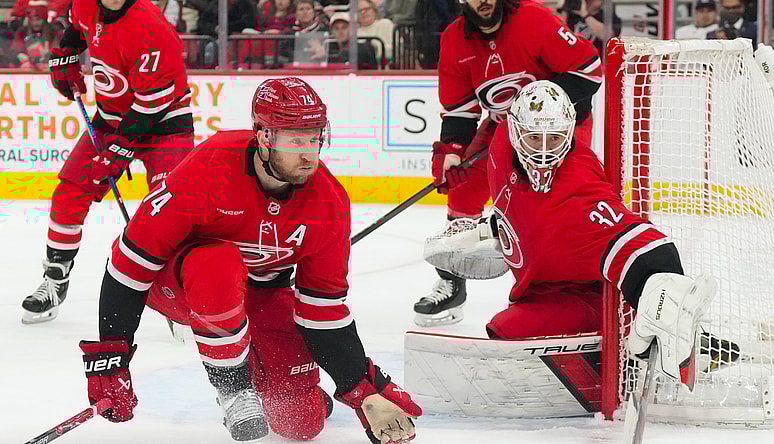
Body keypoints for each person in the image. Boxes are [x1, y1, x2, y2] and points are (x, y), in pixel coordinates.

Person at [78, 77, 423, 443]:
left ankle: (272, 380)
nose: (309, 153)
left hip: (259, 292)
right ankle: (234, 390)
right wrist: (112, 359)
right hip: (178, 285)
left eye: (315, 136)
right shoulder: (209, 167)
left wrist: (363, 392)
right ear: (264, 137)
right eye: (295, 139)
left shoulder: (330, 204)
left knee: (301, 423)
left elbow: (323, 312)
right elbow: (127, 267)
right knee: (217, 264)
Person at [425, 80, 718, 389]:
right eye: (533, 138)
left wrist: (662, 286)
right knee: (505, 329)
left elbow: (642, 243)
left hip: (590, 298)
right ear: (513, 130)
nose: (542, 150)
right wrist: (457, 161)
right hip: (544, 290)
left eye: (553, 139)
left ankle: (634, 351)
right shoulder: (500, 143)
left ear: (568, 133)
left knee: (508, 331)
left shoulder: (578, 188)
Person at [414, 0, 603, 327]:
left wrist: (537, 109)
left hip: (556, 129)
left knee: (552, 202)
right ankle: (452, 282)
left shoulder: (533, 19)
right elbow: (460, 108)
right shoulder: (454, 39)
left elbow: (588, 72)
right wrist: (453, 151)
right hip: (504, 126)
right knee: (464, 187)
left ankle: (561, 290)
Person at [20, 0, 194, 324]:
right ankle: (55, 280)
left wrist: (119, 151)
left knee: (169, 210)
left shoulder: (150, 27)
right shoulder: (86, 4)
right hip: (111, 119)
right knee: (70, 192)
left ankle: (182, 287)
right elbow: (74, 28)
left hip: (165, 123)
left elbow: (152, 106)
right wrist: (67, 56)